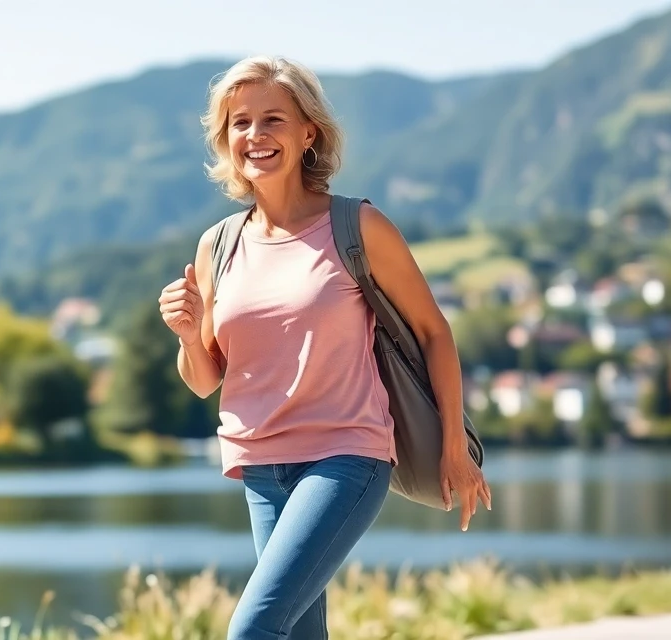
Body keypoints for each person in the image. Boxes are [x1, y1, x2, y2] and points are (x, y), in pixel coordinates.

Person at [158, 55, 491, 639]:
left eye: (273, 120)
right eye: (240, 122)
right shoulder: (218, 245)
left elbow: (435, 332)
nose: (255, 136)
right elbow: (206, 378)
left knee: (254, 629)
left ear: (309, 132)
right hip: (259, 465)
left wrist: (455, 448)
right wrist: (189, 335)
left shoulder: (357, 227)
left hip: (345, 456)